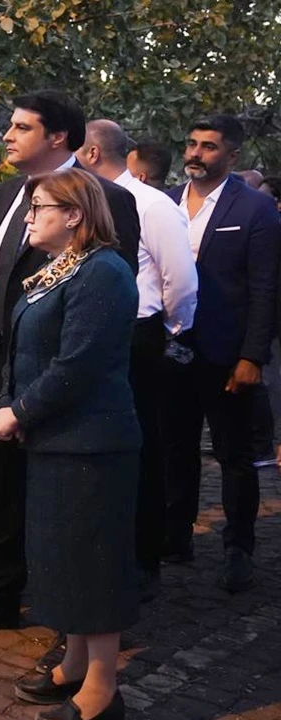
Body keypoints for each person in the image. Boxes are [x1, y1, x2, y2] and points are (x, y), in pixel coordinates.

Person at [0, 89, 141, 641]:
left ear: (58, 137)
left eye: (20, 127)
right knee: (2, 488)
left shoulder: (104, 198)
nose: (6, 136)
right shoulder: (3, 194)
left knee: (63, 502)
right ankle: (0, 596)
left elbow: (102, 301)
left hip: (59, 375)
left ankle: (72, 624)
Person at [0, 168, 139, 720]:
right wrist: (16, 406)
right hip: (57, 441)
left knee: (93, 563)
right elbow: (24, 347)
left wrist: (19, 411)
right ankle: (76, 661)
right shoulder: (62, 267)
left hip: (91, 445)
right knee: (64, 559)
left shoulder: (103, 272)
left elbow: (77, 365)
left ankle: (102, 691)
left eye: (39, 207)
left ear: (75, 214)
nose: (28, 217)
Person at [75, 118, 198, 601]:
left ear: (91, 153)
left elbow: (180, 280)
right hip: (91, 334)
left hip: (138, 336)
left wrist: (168, 332)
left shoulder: (150, 203)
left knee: (143, 447)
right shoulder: (80, 198)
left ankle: (144, 558)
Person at [164, 114, 281, 593]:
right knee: (174, 448)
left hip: (227, 353)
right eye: (192, 143)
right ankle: (174, 537)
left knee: (234, 455)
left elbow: (266, 288)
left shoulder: (255, 208)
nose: (195, 153)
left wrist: (252, 356)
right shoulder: (167, 201)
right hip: (171, 349)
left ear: (232, 154)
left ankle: (239, 549)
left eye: (208, 146)